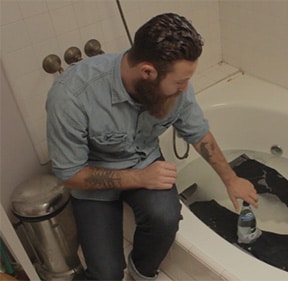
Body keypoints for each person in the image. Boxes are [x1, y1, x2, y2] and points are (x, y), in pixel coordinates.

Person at [46, 13, 258, 281]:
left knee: (165, 217)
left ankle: (142, 270)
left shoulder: (177, 88)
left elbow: (198, 132)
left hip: (144, 160)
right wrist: (139, 177)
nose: (186, 89)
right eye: (180, 82)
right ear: (147, 72)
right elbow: (70, 174)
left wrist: (231, 179)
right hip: (93, 179)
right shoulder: (72, 95)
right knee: (106, 275)